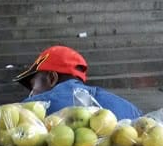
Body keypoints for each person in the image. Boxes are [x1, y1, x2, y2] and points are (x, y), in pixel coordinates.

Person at [13, 45, 142, 120]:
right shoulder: (131, 110)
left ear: (52, 78)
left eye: (32, 86)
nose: (31, 94)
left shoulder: (30, 110)